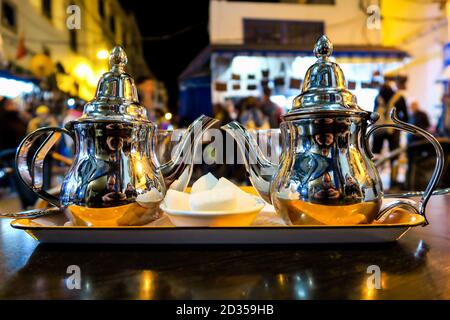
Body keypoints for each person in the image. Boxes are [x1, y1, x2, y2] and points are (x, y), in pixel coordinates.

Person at [372, 83, 409, 188]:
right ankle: (393, 183)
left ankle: (375, 181)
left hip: (378, 129)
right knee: (394, 156)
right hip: (393, 129)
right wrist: (399, 125)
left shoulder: (378, 97)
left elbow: (374, 113)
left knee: (375, 155)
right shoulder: (399, 97)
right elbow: (405, 116)